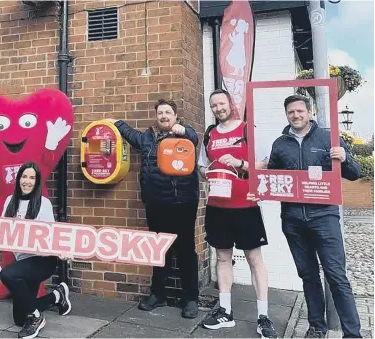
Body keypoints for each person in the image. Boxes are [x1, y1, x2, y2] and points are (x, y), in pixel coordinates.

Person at [250, 95, 362, 338]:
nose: (296, 115)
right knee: (308, 275)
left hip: (324, 217)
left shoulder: (328, 138)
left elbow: (354, 173)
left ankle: (353, 333)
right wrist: (257, 190)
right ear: (287, 115)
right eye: (291, 112)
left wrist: (345, 158)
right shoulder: (280, 144)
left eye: (300, 111)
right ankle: (317, 327)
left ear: (309, 113)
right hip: (293, 220)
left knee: (336, 275)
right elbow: (272, 179)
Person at [107, 98, 200, 319]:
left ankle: (191, 298)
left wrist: (184, 130)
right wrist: (116, 123)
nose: (164, 116)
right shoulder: (149, 137)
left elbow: (194, 139)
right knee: (159, 251)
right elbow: (132, 136)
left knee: (185, 251)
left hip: (182, 203)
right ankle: (158, 295)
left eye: (168, 112)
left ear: (176, 116)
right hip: (156, 204)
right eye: (160, 113)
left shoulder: (184, 134)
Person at [197, 89, 277, 338]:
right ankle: (225, 311)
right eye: (214, 105)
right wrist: (206, 173)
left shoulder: (246, 129)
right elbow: (201, 165)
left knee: (255, 260)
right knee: (222, 258)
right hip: (217, 207)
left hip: (246, 206)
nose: (218, 108)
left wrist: (240, 164)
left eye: (222, 103)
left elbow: (266, 162)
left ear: (231, 104)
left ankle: (263, 317)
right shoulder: (209, 134)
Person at [0, 161, 72, 339]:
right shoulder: (10, 201)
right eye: (24, 176)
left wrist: (62, 250)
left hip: (42, 261)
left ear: (37, 181)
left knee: (7, 275)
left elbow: (52, 232)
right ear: (18, 179)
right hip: (23, 261)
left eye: (32, 178)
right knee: (19, 319)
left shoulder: (43, 203)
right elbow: (0, 232)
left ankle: (37, 318)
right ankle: (57, 296)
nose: (27, 181)